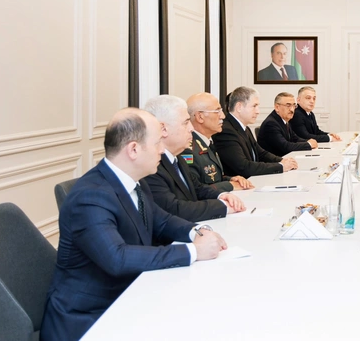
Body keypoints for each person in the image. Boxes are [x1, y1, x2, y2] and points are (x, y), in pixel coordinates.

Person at [40, 108, 227, 340]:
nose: (162, 149)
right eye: (157, 143)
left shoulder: (135, 181)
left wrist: (197, 231)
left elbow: (161, 221)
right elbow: (117, 258)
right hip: (89, 317)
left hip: (128, 296)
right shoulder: (90, 196)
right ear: (134, 149)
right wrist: (194, 251)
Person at [142, 95, 245, 222]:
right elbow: (174, 209)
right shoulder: (152, 166)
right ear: (163, 129)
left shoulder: (176, 157)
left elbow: (197, 188)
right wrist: (222, 206)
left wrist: (222, 195)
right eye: (186, 123)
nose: (191, 128)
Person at [213, 86, 298, 177]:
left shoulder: (244, 127)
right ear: (239, 107)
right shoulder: (226, 131)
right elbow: (244, 167)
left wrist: (281, 160)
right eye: (254, 106)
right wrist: (280, 166)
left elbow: (260, 153)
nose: (258, 111)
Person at [184, 92, 253, 192]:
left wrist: (230, 179)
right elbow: (195, 189)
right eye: (217, 111)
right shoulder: (188, 150)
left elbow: (213, 179)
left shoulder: (207, 143)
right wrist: (229, 185)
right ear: (200, 117)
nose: (223, 116)